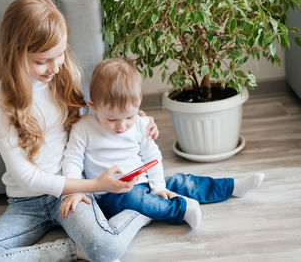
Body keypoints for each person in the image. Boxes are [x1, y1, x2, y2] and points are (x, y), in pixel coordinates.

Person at [0, 0, 159, 262]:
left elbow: (92, 120)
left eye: (60, 53)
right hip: (26, 203)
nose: (55, 66)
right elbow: (27, 177)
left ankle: (145, 209)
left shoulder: (66, 75)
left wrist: (135, 120)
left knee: (107, 249)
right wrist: (96, 184)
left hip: (72, 190)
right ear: (14, 54)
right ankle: (72, 250)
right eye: (42, 60)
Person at [60, 57, 265, 231]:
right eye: (111, 119)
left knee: (181, 182)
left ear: (139, 103)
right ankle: (181, 209)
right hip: (111, 195)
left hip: (143, 179)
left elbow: (152, 157)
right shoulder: (84, 127)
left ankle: (230, 187)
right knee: (136, 199)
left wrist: (158, 187)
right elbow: (72, 160)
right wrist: (76, 190)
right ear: (93, 106)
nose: (121, 126)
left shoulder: (140, 124)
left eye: (129, 117)